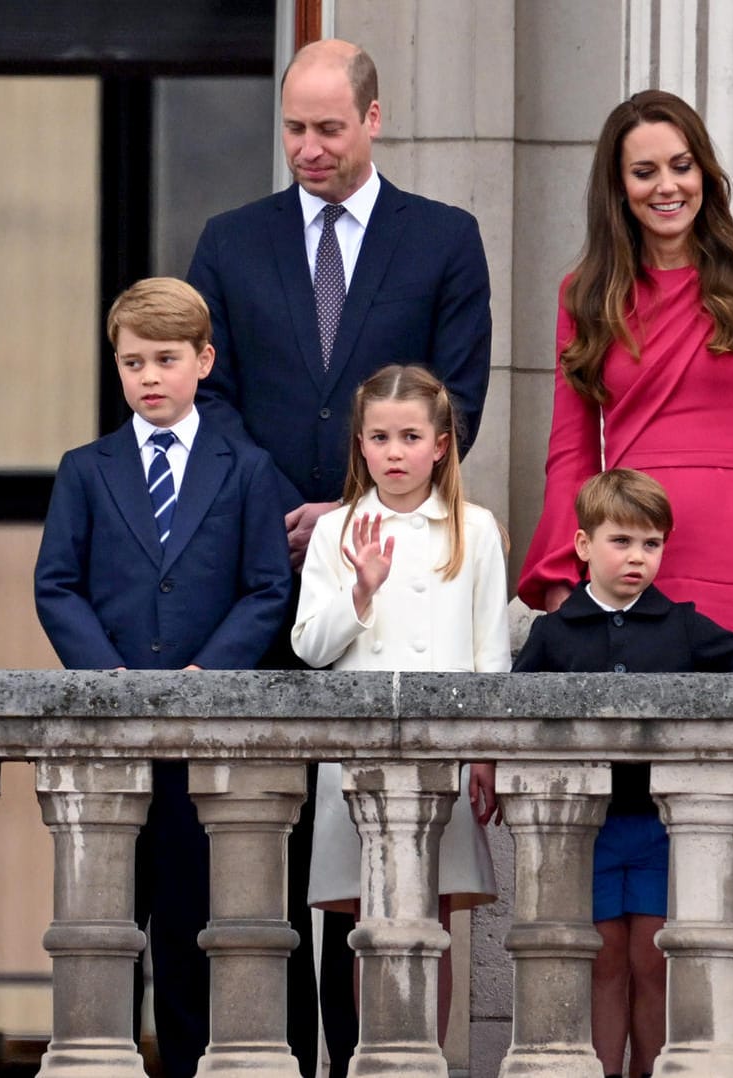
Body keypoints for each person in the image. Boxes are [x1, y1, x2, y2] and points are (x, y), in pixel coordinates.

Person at [184, 39, 493, 1067]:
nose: (307, 148)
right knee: (267, 839)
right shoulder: (231, 240)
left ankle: (376, 1057)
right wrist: (297, 509)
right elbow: (206, 395)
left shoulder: (444, 239)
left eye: (326, 128)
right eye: (293, 129)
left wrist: (356, 503)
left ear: (373, 119)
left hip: (395, 576)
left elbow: (461, 396)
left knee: (379, 855)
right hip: (259, 568)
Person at [516, 89, 733, 946]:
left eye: (681, 165)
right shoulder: (582, 292)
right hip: (622, 559)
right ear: (617, 186)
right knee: (625, 799)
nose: (667, 186)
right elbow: (568, 454)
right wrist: (562, 581)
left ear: (704, 169)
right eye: (644, 171)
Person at [32, 278, 297, 1078]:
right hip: (109, 741)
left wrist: (204, 675)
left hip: (202, 745)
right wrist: (104, 673)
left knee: (191, 931)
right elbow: (57, 583)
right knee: (104, 931)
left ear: (203, 362)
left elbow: (265, 587)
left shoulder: (246, 469)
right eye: (133, 362)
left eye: (166, 360)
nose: (149, 376)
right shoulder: (86, 468)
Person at [515, 468, 733, 1078]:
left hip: (661, 829)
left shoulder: (682, 625)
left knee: (653, 961)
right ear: (583, 546)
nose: (637, 557)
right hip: (588, 832)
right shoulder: (554, 633)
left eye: (651, 544)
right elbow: (512, 713)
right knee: (602, 963)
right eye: (621, 541)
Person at [290, 364, 504, 1049]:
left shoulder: (474, 529)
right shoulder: (337, 531)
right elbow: (310, 646)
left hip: (442, 756)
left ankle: (427, 1060)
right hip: (358, 762)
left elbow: (488, 658)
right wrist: (361, 591)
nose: (395, 451)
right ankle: (375, 1057)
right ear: (359, 444)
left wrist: (485, 752)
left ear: (441, 444)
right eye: (379, 437)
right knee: (369, 926)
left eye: (410, 436)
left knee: (430, 922)